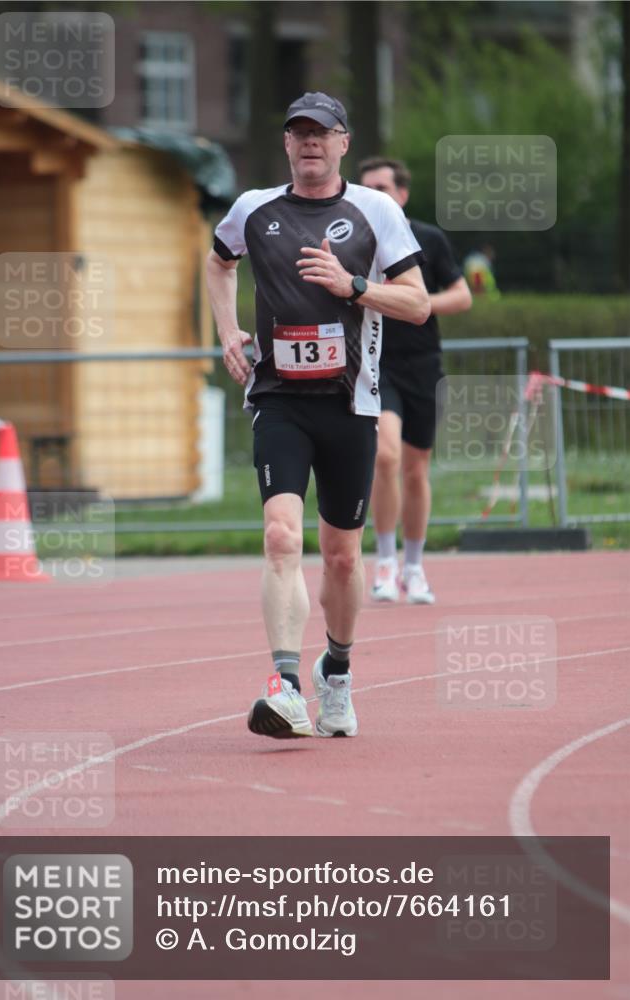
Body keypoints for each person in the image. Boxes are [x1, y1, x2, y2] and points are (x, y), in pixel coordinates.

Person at [206, 94, 430, 740]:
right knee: (280, 535)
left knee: (339, 557)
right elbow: (218, 262)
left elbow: (415, 304)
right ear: (285, 145)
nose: (308, 143)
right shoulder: (253, 209)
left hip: (350, 402)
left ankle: (336, 671)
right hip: (278, 397)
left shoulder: (374, 211)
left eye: (320, 133)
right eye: (297, 133)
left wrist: (352, 287)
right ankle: (284, 684)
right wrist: (227, 331)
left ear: (341, 143)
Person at [359, 157, 472, 604]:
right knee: (385, 455)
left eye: (383, 187)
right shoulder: (357, 241)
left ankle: (414, 567)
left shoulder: (427, 238)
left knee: (415, 468)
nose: (376, 196)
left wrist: (415, 303)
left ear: (402, 194)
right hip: (377, 362)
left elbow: (462, 296)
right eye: (367, 189)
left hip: (423, 364)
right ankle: (384, 562)